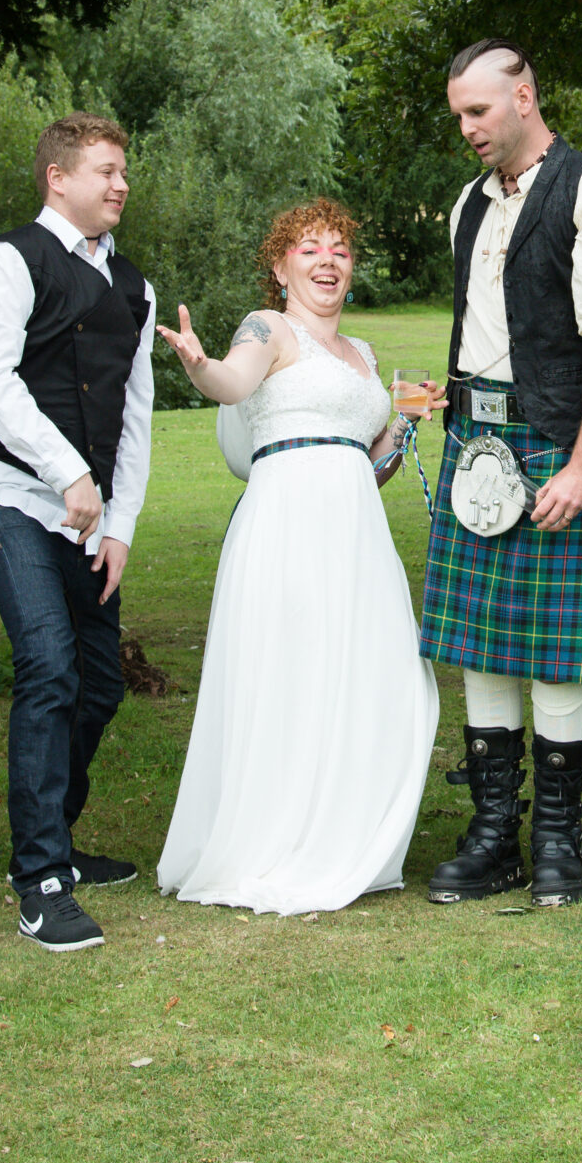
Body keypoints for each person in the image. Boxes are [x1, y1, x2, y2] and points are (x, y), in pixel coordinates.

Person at [152, 200, 441, 912]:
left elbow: (373, 466)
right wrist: (199, 365)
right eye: (309, 248)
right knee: (290, 668)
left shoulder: (365, 356)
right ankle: (276, 838)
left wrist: (401, 422)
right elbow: (234, 381)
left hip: (357, 527)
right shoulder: (268, 328)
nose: (327, 260)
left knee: (369, 671)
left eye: (340, 249)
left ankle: (345, 832)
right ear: (281, 266)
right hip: (286, 517)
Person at [419, 38, 582, 907]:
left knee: (555, 653)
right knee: (480, 645)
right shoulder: (467, 206)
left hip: (554, 441)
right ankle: (493, 837)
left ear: (525, 95)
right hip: (472, 446)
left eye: (478, 111)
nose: (468, 129)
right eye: (459, 116)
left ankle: (558, 835)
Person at [0, 113, 156, 953]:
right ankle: (38, 878)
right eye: (105, 171)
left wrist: (122, 524)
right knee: (48, 663)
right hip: (7, 489)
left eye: (122, 172)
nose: (120, 184)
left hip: (89, 516)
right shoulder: (6, 263)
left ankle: (55, 841)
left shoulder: (132, 282)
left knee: (100, 684)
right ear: (57, 178)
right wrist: (66, 470)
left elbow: (135, 412)